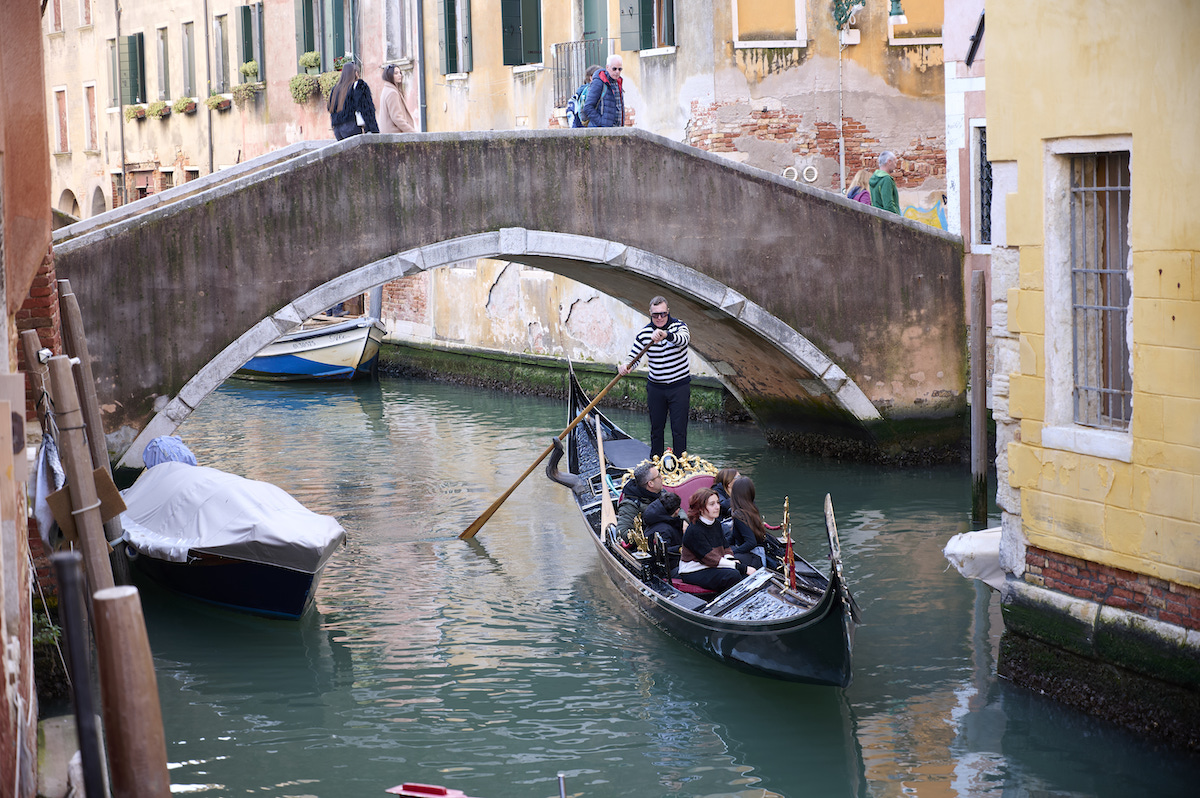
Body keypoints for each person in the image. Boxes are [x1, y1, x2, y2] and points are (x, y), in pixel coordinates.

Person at [618, 296, 691, 458]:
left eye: (663, 314)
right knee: (656, 428)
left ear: (668, 312)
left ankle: (680, 463)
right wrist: (625, 366)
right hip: (656, 388)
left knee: (679, 429)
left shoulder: (680, 327)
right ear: (650, 314)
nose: (659, 318)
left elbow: (684, 340)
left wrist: (666, 335)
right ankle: (655, 462)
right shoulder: (645, 334)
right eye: (655, 315)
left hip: (679, 387)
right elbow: (633, 356)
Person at [679, 488, 754, 593]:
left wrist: (732, 560)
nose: (717, 507)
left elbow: (725, 547)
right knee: (732, 575)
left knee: (751, 560)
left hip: (709, 565)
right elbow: (711, 559)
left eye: (718, 503)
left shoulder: (716, 524)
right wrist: (742, 568)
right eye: (712, 504)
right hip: (693, 571)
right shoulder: (694, 530)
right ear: (700, 508)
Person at [728, 475, 779, 570]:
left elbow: (751, 542)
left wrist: (733, 553)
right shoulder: (752, 507)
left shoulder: (739, 515)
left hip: (754, 556)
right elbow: (733, 536)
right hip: (759, 552)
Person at [328, 60, 379, 140]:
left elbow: (330, 109)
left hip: (337, 129)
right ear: (356, 73)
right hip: (352, 127)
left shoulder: (335, 89)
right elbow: (367, 110)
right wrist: (374, 130)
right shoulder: (359, 86)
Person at [615, 461, 662, 545]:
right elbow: (621, 531)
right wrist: (648, 537)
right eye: (659, 476)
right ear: (650, 483)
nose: (662, 477)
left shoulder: (660, 492)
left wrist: (683, 521)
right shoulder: (630, 504)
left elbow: (676, 508)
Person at [642, 490, 683, 574]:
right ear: (677, 511)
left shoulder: (654, 519)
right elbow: (664, 553)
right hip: (665, 571)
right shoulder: (665, 530)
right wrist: (679, 549)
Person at [582, 54, 625, 128]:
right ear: (607, 67)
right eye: (614, 69)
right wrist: (602, 124)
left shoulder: (618, 83)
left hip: (616, 131)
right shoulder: (599, 82)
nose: (617, 72)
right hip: (601, 132)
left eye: (620, 69)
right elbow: (588, 107)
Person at [378, 64, 417, 134]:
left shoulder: (387, 89)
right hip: (394, 134)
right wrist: (412, 131)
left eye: (400, 73)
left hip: (389, 134)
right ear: (389, 76)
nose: (399, 75)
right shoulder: (392, 92)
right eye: (396, 73)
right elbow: (396, 117)